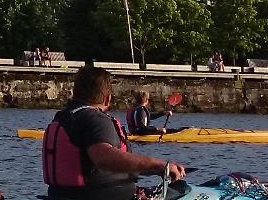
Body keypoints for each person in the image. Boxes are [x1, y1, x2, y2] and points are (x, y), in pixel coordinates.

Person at [43, 66, 184, 200]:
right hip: (106, 196)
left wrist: (156, 169)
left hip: (63, 195)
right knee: (183, 191)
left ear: (76, 93)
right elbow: (104, 158)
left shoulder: (63, 117)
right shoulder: (95, 119)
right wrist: (160, 165)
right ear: (107, 98)